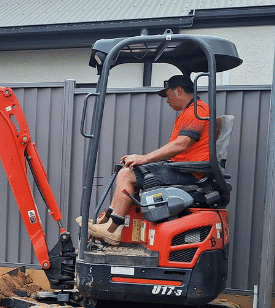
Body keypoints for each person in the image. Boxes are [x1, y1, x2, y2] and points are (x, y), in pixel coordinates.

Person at [82, 74, 210, 245]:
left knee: (127, 175)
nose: (167, 101)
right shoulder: (190, 111)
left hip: (188, 172)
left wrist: (144, 158)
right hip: (181, 168)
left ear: (179, 90)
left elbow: (181, 144)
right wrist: (143, 160)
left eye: (168, 95)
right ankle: (106, 221)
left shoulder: (197, 110)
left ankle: (113, 230)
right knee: (127, 171)